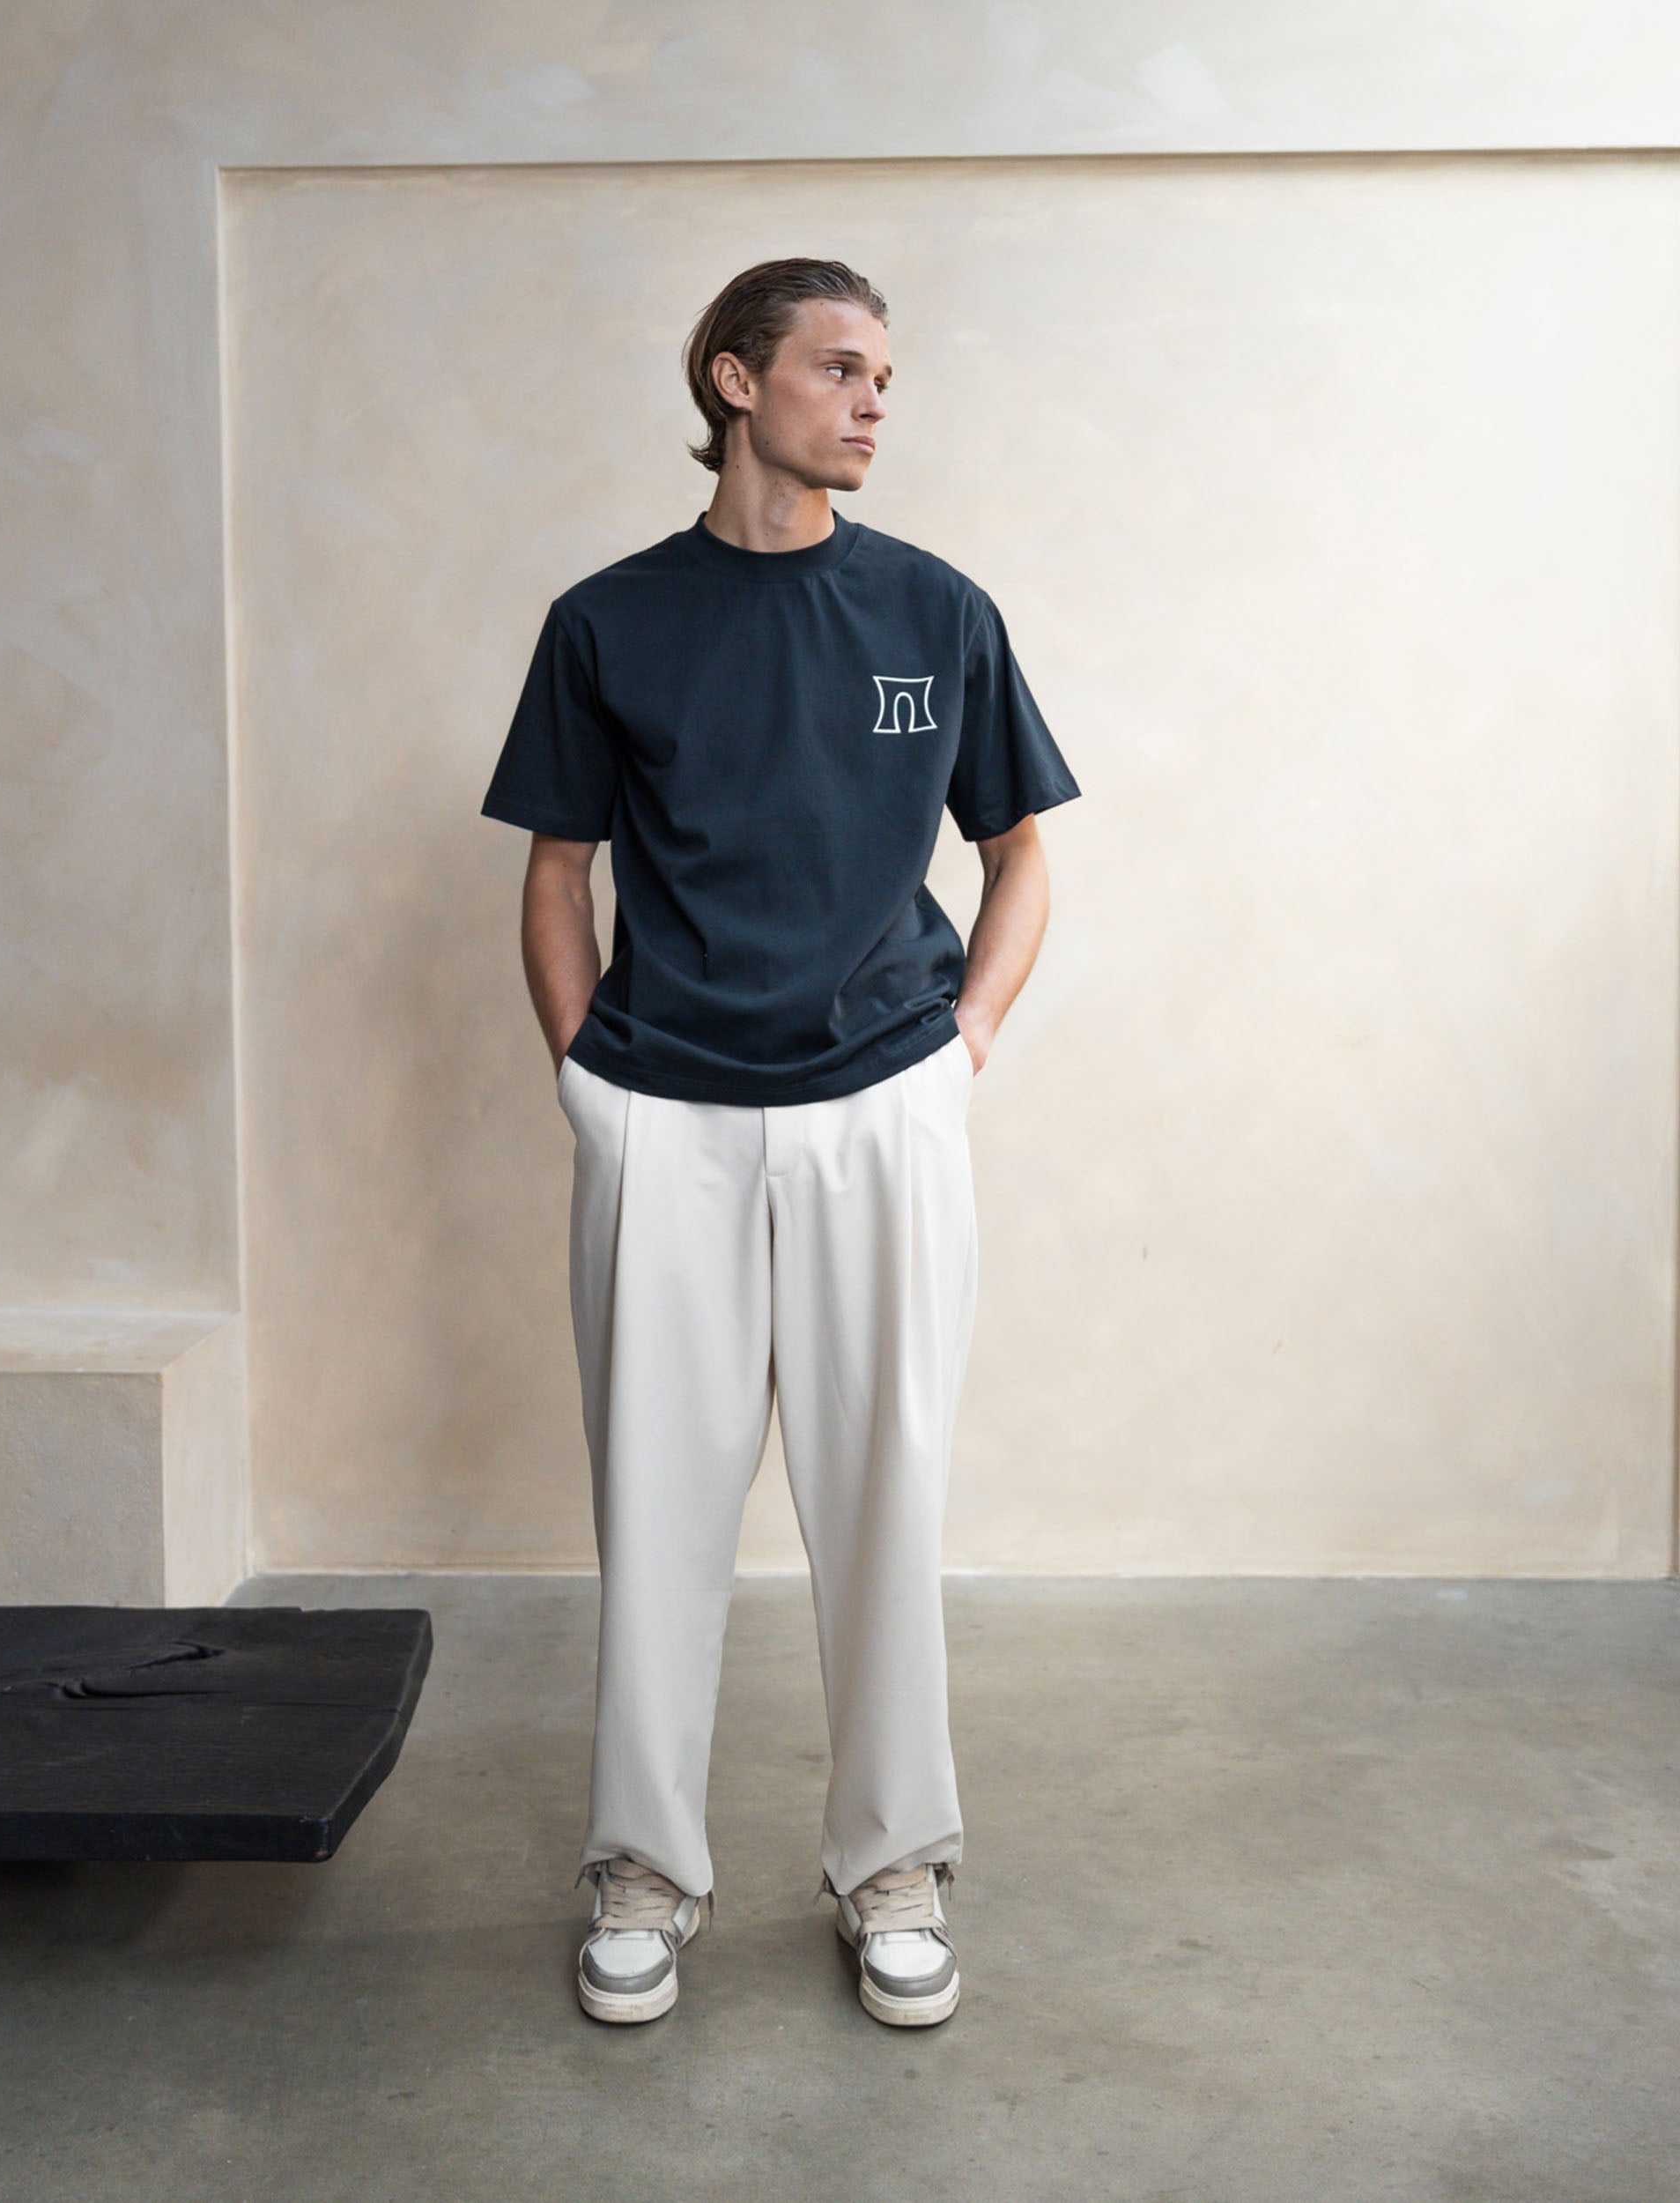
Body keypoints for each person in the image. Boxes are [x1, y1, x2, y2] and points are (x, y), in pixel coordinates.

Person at [480, 256, 1081, 2028]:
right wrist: (585, 1077)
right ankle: (642, 1867)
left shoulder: (935, 610)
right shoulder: (608, 620)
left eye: (886, 373)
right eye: (840, 367)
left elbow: (1022, 855)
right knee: (657, 1507)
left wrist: (963, 1043)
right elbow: (556, 871)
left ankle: (893, 1864)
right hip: (661, 1111)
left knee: (885, 1494)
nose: (875, 399)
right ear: (737, 382)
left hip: (880, 1101)